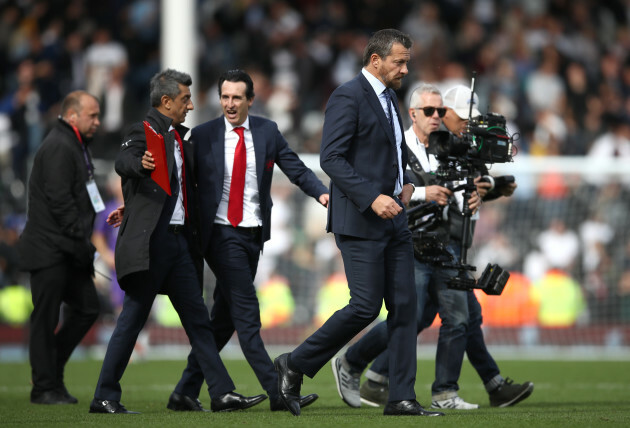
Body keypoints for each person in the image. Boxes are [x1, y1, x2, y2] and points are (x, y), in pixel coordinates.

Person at [274, 29, 444, 417]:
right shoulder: (347, 95)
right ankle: (294, 363)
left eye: (407, 62)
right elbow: (331, 158)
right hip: (360, 220)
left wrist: (406, 184)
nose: (405, 69)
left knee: (405, 309)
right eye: (399, 61)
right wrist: (372, 196)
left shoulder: (389, 98)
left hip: (394, 221)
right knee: (365, 307)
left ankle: (401, 397)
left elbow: (395, 150)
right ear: (375, 60)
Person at [336, 83, 533, 410]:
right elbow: (384, 190)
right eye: (430, 111)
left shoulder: (452, 148)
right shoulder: (396, 145)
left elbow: (465, 188)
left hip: (447, 247)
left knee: (452, 318)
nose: (437, 117)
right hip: (409, 245)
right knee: (416, 318)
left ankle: (418, 386)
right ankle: (366, 369)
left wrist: (484, 191)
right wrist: (426, 193)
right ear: (412, 114)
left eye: (440, 111)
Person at [89, 69, 265, 414]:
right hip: (152, 245)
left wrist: (134, 203)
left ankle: (220, 393)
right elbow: (124, 160)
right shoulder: (141, 133)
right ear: (166, 101)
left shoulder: (180, 139)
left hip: (180, 243)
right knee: (133, 319)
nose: (190, 105)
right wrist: (138, 164)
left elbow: (174, 190)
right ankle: (104, 396)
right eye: (185, 98)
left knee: (199, 321)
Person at [168, 69, 326, 412]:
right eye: (225, 97)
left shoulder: (267, 131)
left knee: (223, 319)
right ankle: (278, 392)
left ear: (250, 100)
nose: (229, 103)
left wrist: (323, 194)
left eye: (237, 97)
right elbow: (177, 176)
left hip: (254, 234)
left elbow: (295, 168)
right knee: (247, 313)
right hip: (220, 234)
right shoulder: (204, 135)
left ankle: (183, 391)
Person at [16, 90, 102, 404]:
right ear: (73, 115)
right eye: (92, 115)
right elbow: (60, 200)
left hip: (69, 248)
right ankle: (43, 387)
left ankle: (50, 371)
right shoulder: (59, 146)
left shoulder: (76, 145)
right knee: (46, 318)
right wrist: (82, 239)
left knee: (88, 308)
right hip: (50, 248)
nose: (98, 121)